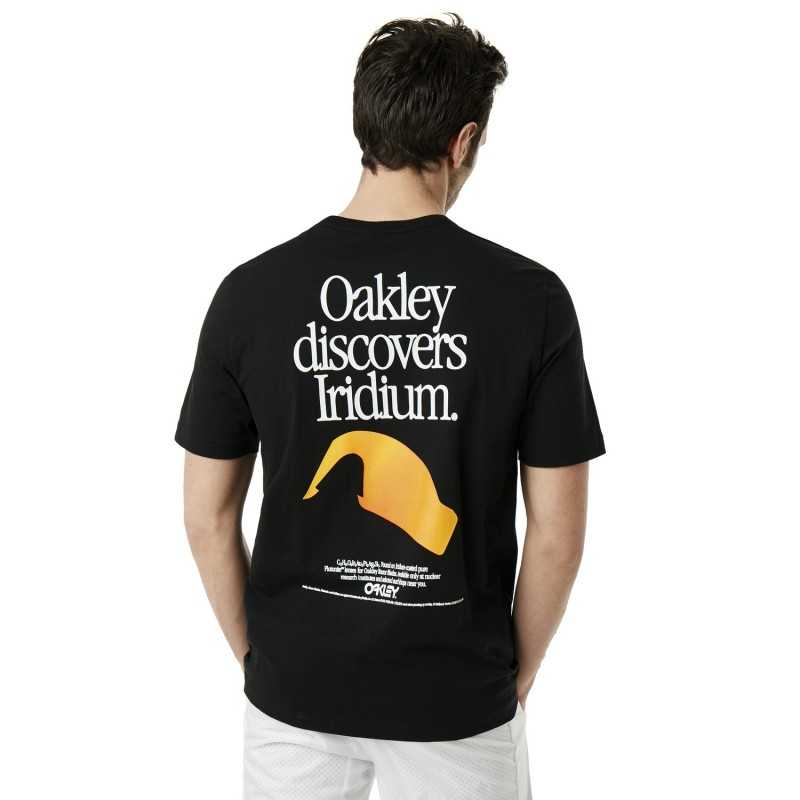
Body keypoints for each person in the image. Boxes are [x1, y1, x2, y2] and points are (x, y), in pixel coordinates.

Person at [175, 13, 605, 800]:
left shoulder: (250, 295)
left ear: (364, 124)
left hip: (295, 693)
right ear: (463, 142)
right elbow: (558, 535)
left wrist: (261, 664)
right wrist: (508, 682)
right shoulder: (530, 300)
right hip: (455, 699)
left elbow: (207, 516)